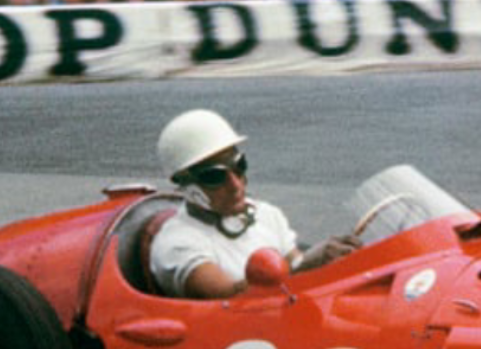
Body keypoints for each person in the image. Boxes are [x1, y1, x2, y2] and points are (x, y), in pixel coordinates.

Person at [147, 110, 357, 299]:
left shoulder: (266, 214)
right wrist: (307, 264)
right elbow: (229, 299)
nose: (236, 185)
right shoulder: (177, 243)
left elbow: (295, 264)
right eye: (215, 176)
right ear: (185, 184)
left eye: (238, 165)